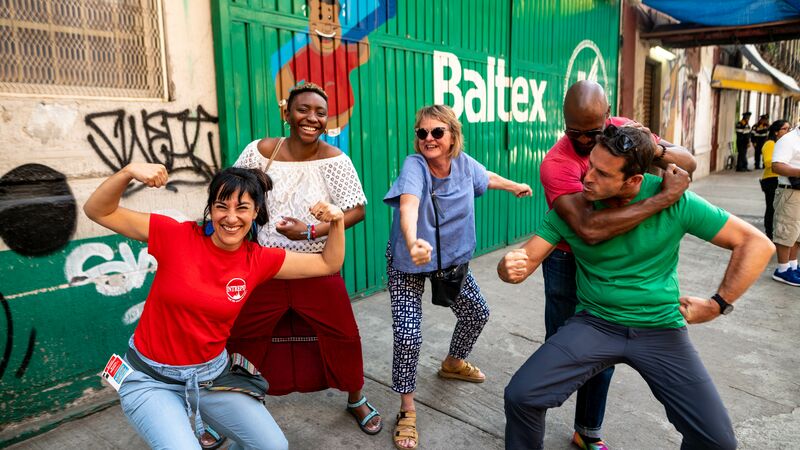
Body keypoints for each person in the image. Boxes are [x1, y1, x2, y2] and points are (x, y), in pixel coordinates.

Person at [499, 125, 775, 450]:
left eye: (602, 174)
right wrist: (509, 268)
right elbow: (524, 261)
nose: (587, 178)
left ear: (633, 181)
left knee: (717, 441)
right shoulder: (574, 208)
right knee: (522, 395)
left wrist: (717, 304)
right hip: (595, 323)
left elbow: (756, 243)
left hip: (661, 328)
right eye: (590, 166)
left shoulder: (676, 200)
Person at [84, 163, 348, 449]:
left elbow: (328, 263)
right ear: (211, 208)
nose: (231, 217)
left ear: (256, 211)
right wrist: (128, 172)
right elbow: (99, 211)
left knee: (272, 446)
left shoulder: (258, 259)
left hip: (212, 377)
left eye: (242, 208)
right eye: (222, 206)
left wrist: (337, 222)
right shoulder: (175, 235)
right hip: (151, 378)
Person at [537, 80, 696, 450]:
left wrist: (654, 149)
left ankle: (587, 431)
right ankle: (531, 415)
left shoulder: (623, 135)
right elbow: (588, 230)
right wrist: (662, 199)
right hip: (568, 259)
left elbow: (687, 162)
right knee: (560, 350)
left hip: (614, 258)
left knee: (602, 347)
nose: (584, 141)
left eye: (592, 132)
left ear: (608, 118)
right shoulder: (557, 163)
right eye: (573, 132)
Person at [227, 82, 382, 435]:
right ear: (286, 114)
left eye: (320, 113)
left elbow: (356, 211)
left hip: (318, 266)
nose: (312, 118)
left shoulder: (335, 160)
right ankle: (234, 408)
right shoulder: (260, 151)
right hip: (265, 267)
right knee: (244, 337)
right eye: (303, 110)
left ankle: (355, 398)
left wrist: (312, 231)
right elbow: (235, 190)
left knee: (343, 335)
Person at [383, 104, 532, 450]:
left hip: (450, 260)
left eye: (437, 132)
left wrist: (514, 186)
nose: (429, 139)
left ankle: (452, 362)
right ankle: (407, 410)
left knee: (477, 312)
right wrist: (411, 239)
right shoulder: (414, 166)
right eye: (422, 133)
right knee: (408, 336)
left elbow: (486, 177)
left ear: (452, 136)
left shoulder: (464, 165)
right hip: (410, 259)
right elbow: (408, 204)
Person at [769, 122, 800, 286]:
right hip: (790, 192)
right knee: (786, 230)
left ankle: (793, 266)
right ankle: (782, 270)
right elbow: (777, 166)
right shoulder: (788, 140)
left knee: (796, 233)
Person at [760, 120, 790, 240]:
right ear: (776, 132)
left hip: (780, 179)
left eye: (789, 129)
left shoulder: (782, 144)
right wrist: (785, 164)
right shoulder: (770, 144)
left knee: (778, 208)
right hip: (771, 179)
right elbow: (768, 162)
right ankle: (769, 234)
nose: (788, 131)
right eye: (785, 129)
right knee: (771, 208)